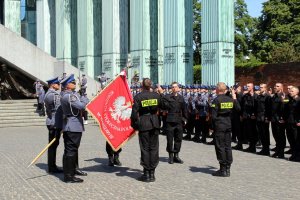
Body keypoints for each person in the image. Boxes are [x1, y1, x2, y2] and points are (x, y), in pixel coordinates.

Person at [130, 78, 162, 182]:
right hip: (154, 123)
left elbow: (134, 114)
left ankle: (146, 173)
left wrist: (135, 126)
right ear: (150, 85)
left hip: (144, 123)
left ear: (142, 86)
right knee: (153, 148)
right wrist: (161, 94)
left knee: (145, 148)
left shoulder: (139, 97)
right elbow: (165, 106)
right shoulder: (156, 96)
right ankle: (152, 173)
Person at [60, 74, 89, 183]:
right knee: (71, 151)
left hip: (70, 125)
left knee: (69, 151)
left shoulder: (69, 95)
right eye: (72, 82)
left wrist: (82, 96)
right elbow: (81, 106)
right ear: (67, 85)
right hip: (73, 125)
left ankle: (69, 172)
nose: (75, 83)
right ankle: (69, 176)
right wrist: (84, 98)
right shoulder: (70, 96)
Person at [211, 82, 240, 177]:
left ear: (218, 90)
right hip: (228, 124)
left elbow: (213, 116)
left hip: (219, 125)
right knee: (228, 146)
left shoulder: (216, 100)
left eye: (216, 88)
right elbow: (238, 109)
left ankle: (222, 169)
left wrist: (211, 128)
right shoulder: (230, 99)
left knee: (220, 146)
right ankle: (228, 168)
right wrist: (234, 97)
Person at [161, 82, 187, 164]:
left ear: (178, 88)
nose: (174, 88)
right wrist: (161, 94)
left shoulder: (181, 98)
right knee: (169, 139)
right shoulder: (167, 97)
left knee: (178, 138)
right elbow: (163, 104)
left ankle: (176, 155)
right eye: (172, 87)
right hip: (170, 120)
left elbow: (184, 109)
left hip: (179, 120)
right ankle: (171, 156)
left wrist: (185, 118)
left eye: (175, 87)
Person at [43, 77, 63, 173]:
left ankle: (52, 165)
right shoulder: (52, 95)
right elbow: (58, 109)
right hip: (54, 123)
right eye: (57, 84)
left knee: (53, 145)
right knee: (52, 146)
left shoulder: (50, 94)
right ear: (52, 85)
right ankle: (52, 167)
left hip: (52, 121)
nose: (59, 85)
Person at [270, 83, 287, 158]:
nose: (275, 87)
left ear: (282, 87)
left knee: (281, 136)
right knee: (275, 135)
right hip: (274, 119)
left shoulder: (284, 96)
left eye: (277, 86)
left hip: (280, 120)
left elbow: (286, 108)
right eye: (275, 86)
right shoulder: (274, 96)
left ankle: (281, 152)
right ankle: (278, 150)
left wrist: (282, 118)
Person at [256, 83, 271, 156]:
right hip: (259, 117)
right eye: (260, 87)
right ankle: (263, 149)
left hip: (264, 117)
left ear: (265, 88)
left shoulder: (267, 96)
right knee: (261, 134)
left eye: (262, 87)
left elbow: (268, 108)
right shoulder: (259, 96)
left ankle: (267, 150)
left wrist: (267, 118)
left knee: (265, 134)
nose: (260, 88)